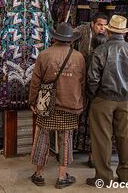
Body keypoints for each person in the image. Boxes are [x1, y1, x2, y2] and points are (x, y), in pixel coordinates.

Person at [87, 15, 128, 187]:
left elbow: (92, 79)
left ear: (109, 30)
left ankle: (104, 178)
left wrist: (93, 96)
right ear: (123, 32)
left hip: (103, 99)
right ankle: (125, 176)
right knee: (124, 137)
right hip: (124, 99)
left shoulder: (101, 50)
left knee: (102, 139)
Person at [29, 22, 86, 189]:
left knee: (42, 138)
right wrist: (81, 102)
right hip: (70, 103)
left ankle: (38, 174)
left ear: (55, 38)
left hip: (47, 104)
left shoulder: (44, 55)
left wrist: (32, 101)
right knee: (65, 139)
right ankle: (62, 177)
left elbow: (35, 82)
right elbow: (82, 84)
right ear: (71, 40)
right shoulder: (79, 57)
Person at [73, 12, 108, 167]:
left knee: (96, 121)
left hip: (99, 86)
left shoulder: (107, 36)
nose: (102, 28)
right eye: (99, 24)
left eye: (104, 25)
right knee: (84, 118)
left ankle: (93, 154)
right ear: (93, 24)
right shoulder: (81, 31)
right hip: (82, 81)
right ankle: (82, 150)